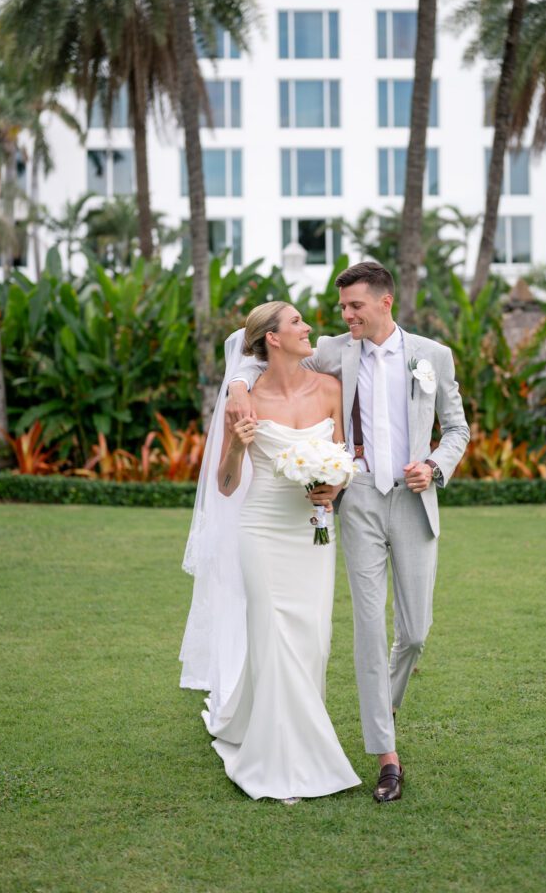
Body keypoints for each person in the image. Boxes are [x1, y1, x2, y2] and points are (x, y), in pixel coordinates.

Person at [227, 262, 470, 802]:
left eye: (354, 305)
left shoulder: (433, 356)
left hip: (413, 502)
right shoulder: (337, 350)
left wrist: (433, 465)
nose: (345, 315)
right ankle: (386, 756)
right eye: (342, 308)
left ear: (385, 302)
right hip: (356, 502)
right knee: (367, 626)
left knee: (416, 632)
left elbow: (457, 428)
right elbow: (261, 355)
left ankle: (382, 703)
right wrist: (240, 386)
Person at [180, 301, 361, 802]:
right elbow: (224, 482)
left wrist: (334, 483)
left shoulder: (330, 388)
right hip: (260, 530)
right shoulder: (246, 400)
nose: (309, 328)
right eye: (298, 322)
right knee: (272, 637)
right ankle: (281, 761)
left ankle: (296, 740)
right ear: (273, 339)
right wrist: (237, 446)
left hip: (312, 530)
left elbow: (345, 458)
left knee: (314, 639)